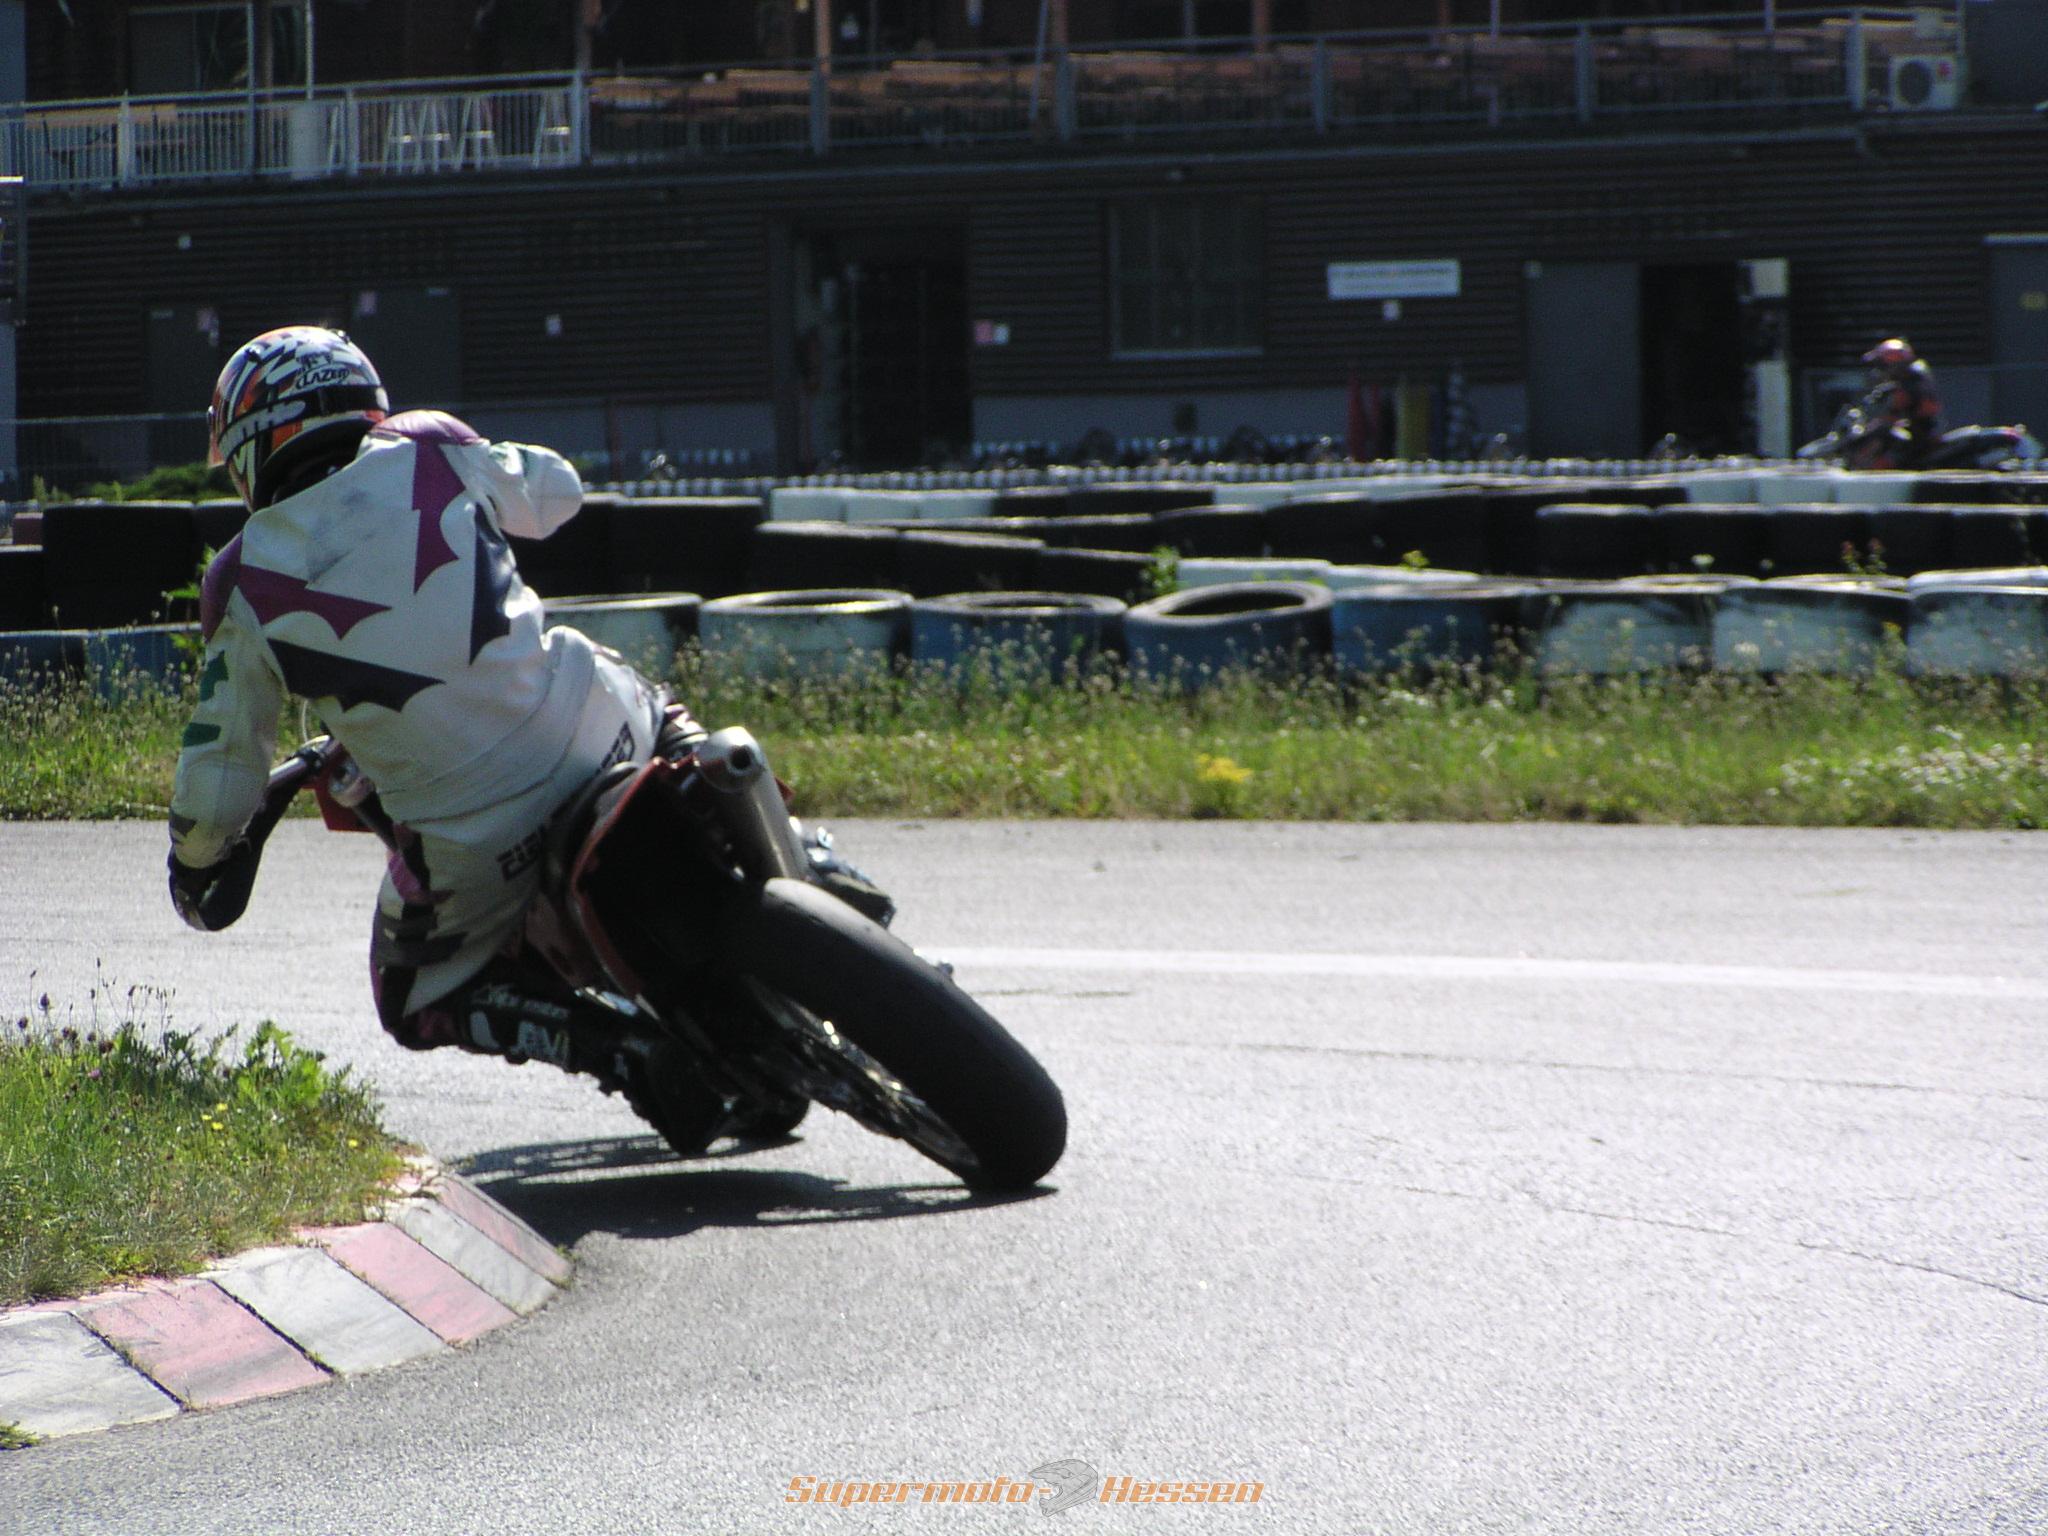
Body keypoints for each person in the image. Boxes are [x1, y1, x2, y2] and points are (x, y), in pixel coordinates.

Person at [166, 325, 707, 1127]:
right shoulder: (428, 447)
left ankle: (620, 1051)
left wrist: (194, 860)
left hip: (479, 837)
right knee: (661, 714)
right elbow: (558, 493)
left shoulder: (241, 581)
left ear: (252, 441)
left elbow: (217, 783)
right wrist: (476, 461)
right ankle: (774, 827)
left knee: (410, 995)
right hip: (598, 725)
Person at [1858, 337, 1942, 468]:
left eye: (1881, 365)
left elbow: (1895, 415)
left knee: (1885, 453)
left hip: (1921, 439)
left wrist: (1873, 426)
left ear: (1894, 365)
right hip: (1921, 433)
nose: (1879, 370)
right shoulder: (1910, 381)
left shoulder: (1909, 386)